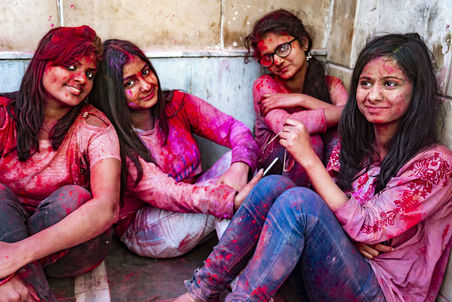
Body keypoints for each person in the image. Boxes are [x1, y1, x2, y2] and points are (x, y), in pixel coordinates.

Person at [175, 33, 452, 302]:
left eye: (390, 84)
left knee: (299, 203)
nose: (374, 95)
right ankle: (201, 292)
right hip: (335, 266)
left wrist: (308, 157)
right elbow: (335, 206)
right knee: (274, 185)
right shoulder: (358, 140)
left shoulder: (433, 164)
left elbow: (366, 226)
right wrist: (346, 235)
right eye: (366, 83)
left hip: (382, 289)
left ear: (417, 92)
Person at [0, 26, 122, 301]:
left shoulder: (95, 126)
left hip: (72, 249)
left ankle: (2, 281)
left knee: (75, 197)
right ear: (41, 64)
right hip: (3, 232)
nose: (81, 79)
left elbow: (107, 208)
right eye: (71, 66)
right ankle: (13, 286)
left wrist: (13, 257)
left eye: (89, 74)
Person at [90, 39, 261, 258]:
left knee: (239, 163)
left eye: (145, 72)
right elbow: (167, 193)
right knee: (228, 196)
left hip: (192, 204)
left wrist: (239, 167)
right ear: (113, 94)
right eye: (129, 83)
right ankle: (240, 282)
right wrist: (225, 198)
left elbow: (234, 129)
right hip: (149, 229)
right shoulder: (114, 139)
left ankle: (239, 269)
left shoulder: (176, 104)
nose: (146, 85)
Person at [245, 9, 348, 186]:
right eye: (268, 56)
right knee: (307, 140)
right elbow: (290, 127)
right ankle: (294, 205)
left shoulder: (331, 84)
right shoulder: (265, 86)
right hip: (274, 170)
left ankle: (333, 199)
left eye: (283, 48)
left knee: (340, 135)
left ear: (303, 43)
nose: (277, 61)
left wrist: (302, 99)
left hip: (319, 171)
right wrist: (338, 113)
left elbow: (354, 116)